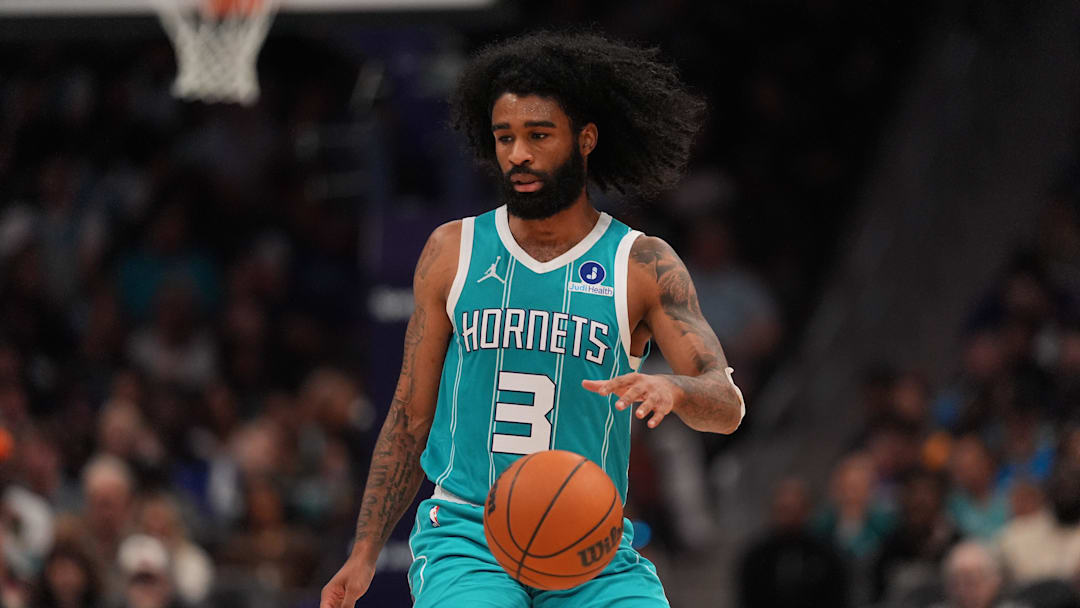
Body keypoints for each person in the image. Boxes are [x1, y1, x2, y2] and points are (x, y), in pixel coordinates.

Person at [320, 31, 745, 608]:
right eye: (505, 137)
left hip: (591, 543)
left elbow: (726, 403)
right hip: (469, 537)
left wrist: (674, 387)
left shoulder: (641, 263)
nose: (517, 153)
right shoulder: (453, 251)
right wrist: (366, 551)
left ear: (585, 139)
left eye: (538, 135)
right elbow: (408, 416)